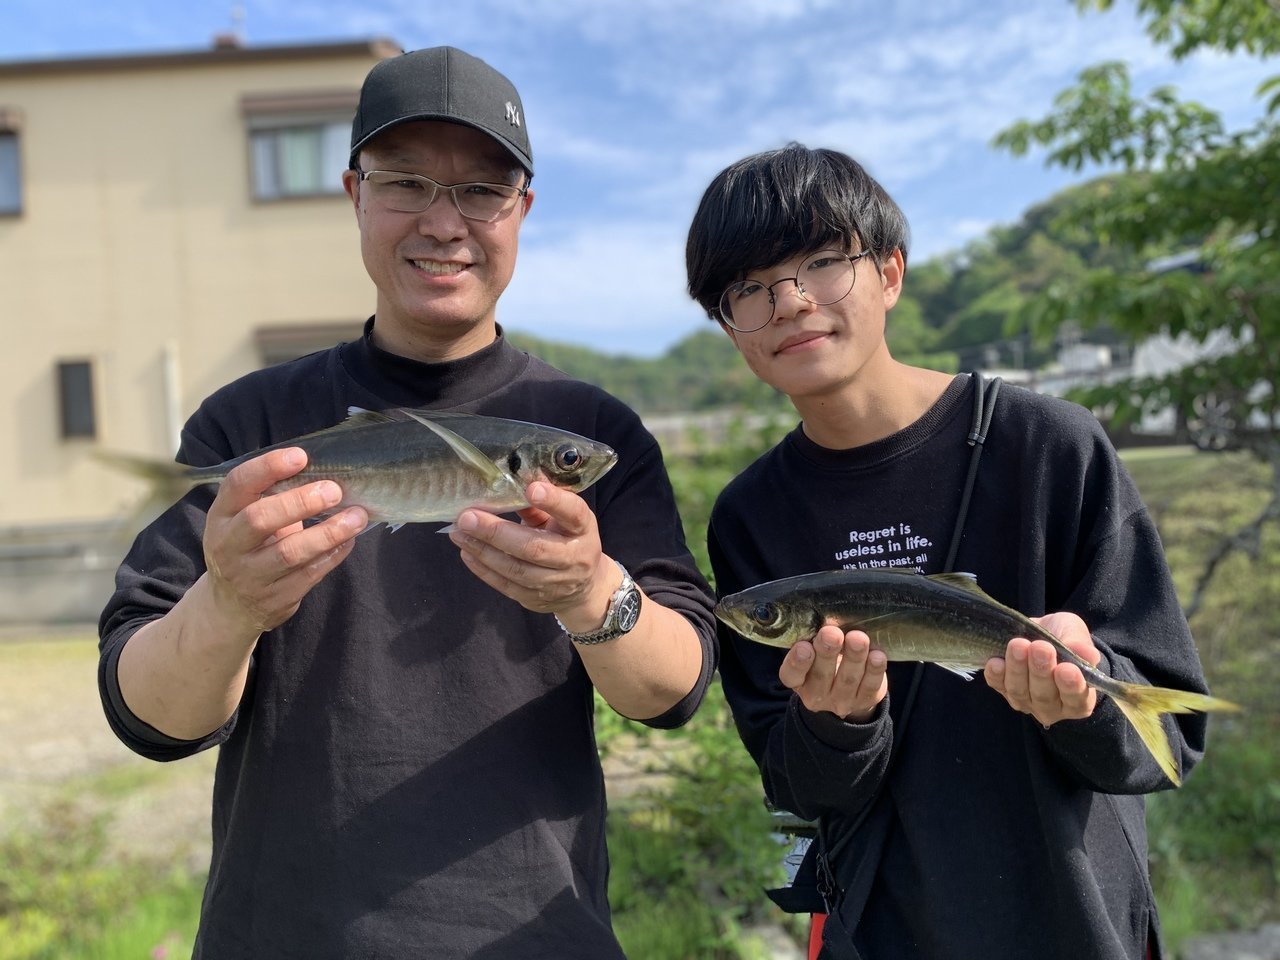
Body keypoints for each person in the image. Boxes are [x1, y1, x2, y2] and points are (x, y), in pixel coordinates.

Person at [98, 45, 717, 959]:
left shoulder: (589, 426)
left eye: (482, 190)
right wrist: (228, 604)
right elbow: (148, 716)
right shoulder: (251, 424)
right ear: (355, 194)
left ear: (522, 211)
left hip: (537, 937)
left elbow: (675, 688)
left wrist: (591, 593)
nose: (444, 221)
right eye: (407, 183)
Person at [684, 142, 1215, 960]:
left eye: (822, 262)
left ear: (890, 272)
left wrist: (1083, 697)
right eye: (748, 289)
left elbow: (1169, 745)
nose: (790, 301)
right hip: (880, 929)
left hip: (1075, 922)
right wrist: (838, 722)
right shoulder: (750, 516)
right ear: (728, 326)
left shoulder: (1050, 447)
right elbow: (797, 786)